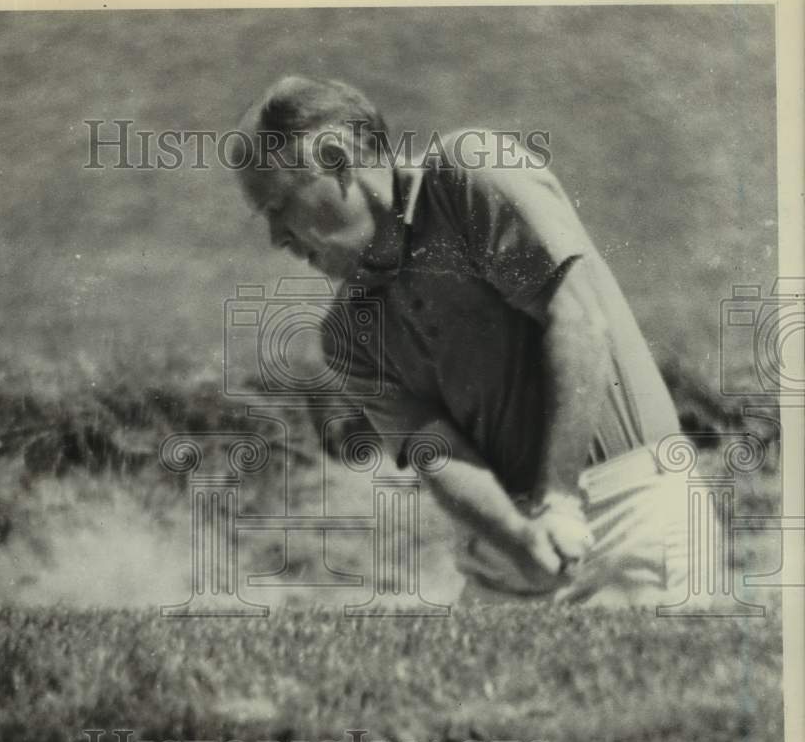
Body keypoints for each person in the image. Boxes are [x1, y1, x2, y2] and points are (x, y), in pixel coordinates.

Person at [233, 76, 690, 606]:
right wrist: (523, 539)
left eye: (276, 207)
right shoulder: (346, 336)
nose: (276, 240)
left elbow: (577, 315)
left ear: (335, 158)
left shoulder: (468, 174)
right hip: (506, 551)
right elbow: (440, 454)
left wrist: (559, 502)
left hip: (631, 506)